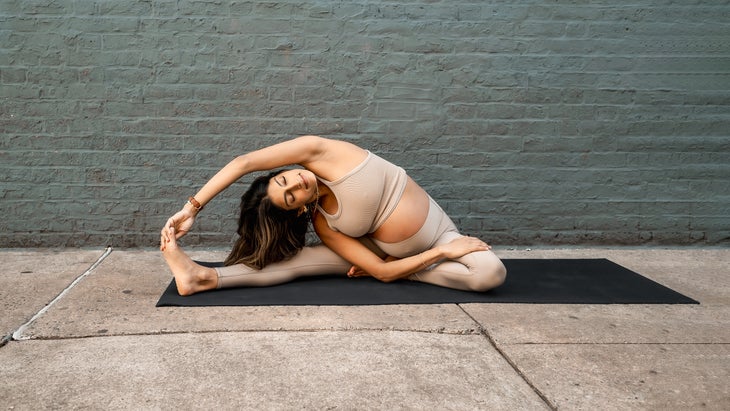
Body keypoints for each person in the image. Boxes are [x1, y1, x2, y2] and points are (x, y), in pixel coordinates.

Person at [160, 136, 506, 296]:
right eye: (291, 196)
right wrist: (440, 255)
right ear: (297, 209)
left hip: (439, 234)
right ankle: (202, 278)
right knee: (299, 262)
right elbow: (382, 273)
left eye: (284, 179)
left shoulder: (322, 152)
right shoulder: (324, 223)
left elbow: (244, 162)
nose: (296, 183)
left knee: (489, 273)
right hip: (409, 253)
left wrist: (191, 208)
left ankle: (411, 267)